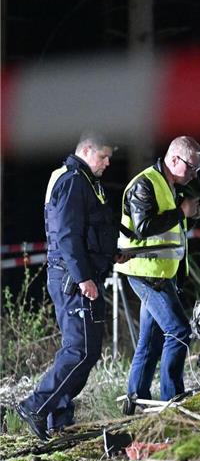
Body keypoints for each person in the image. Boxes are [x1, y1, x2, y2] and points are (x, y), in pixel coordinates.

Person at [16, 133, 128, 441]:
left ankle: (59, 418)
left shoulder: (85, 181)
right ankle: (36, 406)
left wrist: (110, 253)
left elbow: (90, 230)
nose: (107, 163)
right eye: (103, 156)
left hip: (81, 275)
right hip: (73, 280)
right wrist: (82, 278)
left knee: (84, 351)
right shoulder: (73, 181)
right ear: (87, 150)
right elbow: (66, 235)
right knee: (81, 350)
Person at [116, 136, 200, 413]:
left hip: (159, 272)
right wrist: (181, 211)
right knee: (179, 331)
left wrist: (193, 215)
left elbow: (169, 229)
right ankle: (172, 401)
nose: (195, 174)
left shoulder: (169, 186)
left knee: (151, 339)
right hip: (145, 273)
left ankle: (136, 401)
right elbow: (144, 227)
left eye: (197, 169)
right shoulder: (145, 184)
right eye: (192, 167)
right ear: (174, 159)